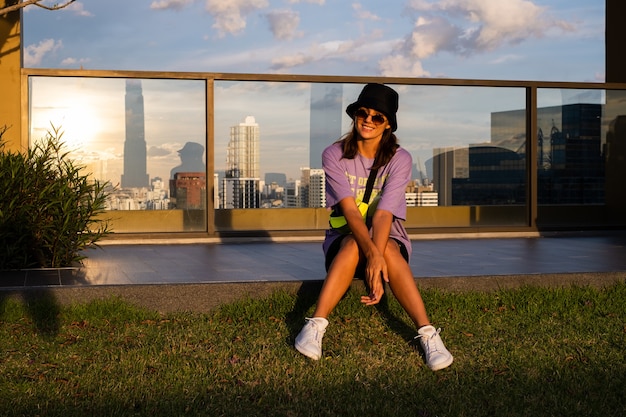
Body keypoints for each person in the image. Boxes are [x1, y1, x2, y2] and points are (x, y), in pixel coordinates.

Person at [294, 83, 453, 371]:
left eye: (377, 117)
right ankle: (315, 325)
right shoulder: (334, 154)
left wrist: (377, 259)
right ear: (355, 116)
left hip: (387, 240)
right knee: (355, 241)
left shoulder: (399, 159)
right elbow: (350, 212)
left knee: (389, 247)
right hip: (344, 241)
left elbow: (383, 215)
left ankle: (428, 334)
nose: (368, 120)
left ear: (388, 125)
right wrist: (372, 256)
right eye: (362, 113)